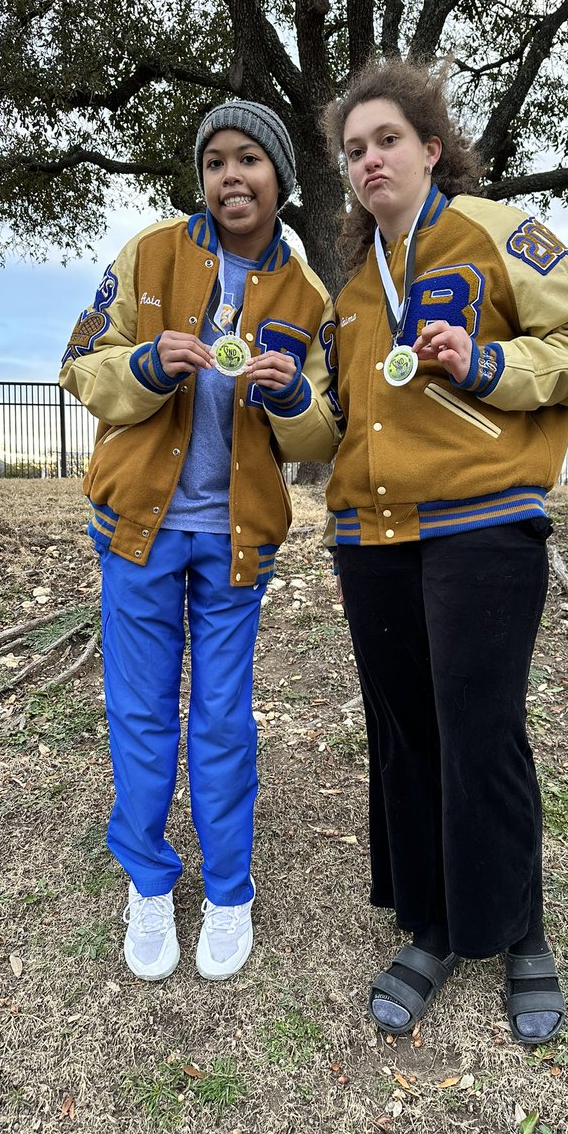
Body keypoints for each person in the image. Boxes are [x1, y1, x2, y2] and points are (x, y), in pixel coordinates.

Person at [321, 61, 568, 1043]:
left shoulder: (497, 235)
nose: (370, 160)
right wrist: (288, 402)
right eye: (355, 149)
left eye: (387, 141)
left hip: (482, 526)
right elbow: (336, 424)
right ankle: (438, 924)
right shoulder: (353, 288)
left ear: (431, 149)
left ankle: (519, 928)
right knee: (409, 734)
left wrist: (489, 362)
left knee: (480, 731)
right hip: (371, 538)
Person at [60, 101, 341, 983]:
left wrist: (292, 397)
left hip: (235, 543)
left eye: (249, 159)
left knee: (222, 718)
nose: (231, 176)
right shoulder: (149, 254)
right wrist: (145, 366)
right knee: (141, 713)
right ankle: (148, 883)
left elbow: (324, 435)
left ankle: (230, 890)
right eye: (215, 160)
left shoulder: (308, 297)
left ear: (282, 179)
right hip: (137, 534)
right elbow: (79, 366)